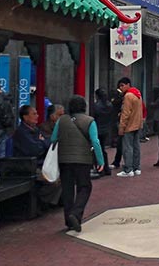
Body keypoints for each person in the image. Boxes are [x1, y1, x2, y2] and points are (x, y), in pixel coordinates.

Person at [50, 95, 104, 232]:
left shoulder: (61, 120)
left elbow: (53, 138)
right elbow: (95, 141)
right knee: (84, 187)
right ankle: (76, 213)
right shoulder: (89, 121)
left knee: (67, 189)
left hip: (64, 159)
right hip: (82, 160)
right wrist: (100, 160)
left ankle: (69, 220)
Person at [12, 105, 62, 207]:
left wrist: (42, 142)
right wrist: (42, 142)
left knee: (62, 176)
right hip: (28, 166)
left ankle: (49, 202)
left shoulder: (35, 129)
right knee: (53, 181)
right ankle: (41, 201)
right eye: (34, 114)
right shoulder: (22, 132)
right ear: (25, 117)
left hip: (40, 163)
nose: (37, 116)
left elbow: (49, 143)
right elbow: (35, 150)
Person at [116, 77, 143, 178]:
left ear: (128, 84)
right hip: (138, 124)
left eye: (122, 85)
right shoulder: (138, 94)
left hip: (129, 125)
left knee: (128, 147)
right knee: (136, 146)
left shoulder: (128, 96)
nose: (121, 88)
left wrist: (121, 127)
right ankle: (136, 168)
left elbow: (125, 113)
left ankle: (128, 169)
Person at [92, 89, 114, 176]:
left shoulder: (97, 106)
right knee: (102, 149)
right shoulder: (109, 105)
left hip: (98, 128)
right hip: (106, 128)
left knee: (97, 149)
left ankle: (100, 168)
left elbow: (94, 116)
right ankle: (106, 168)